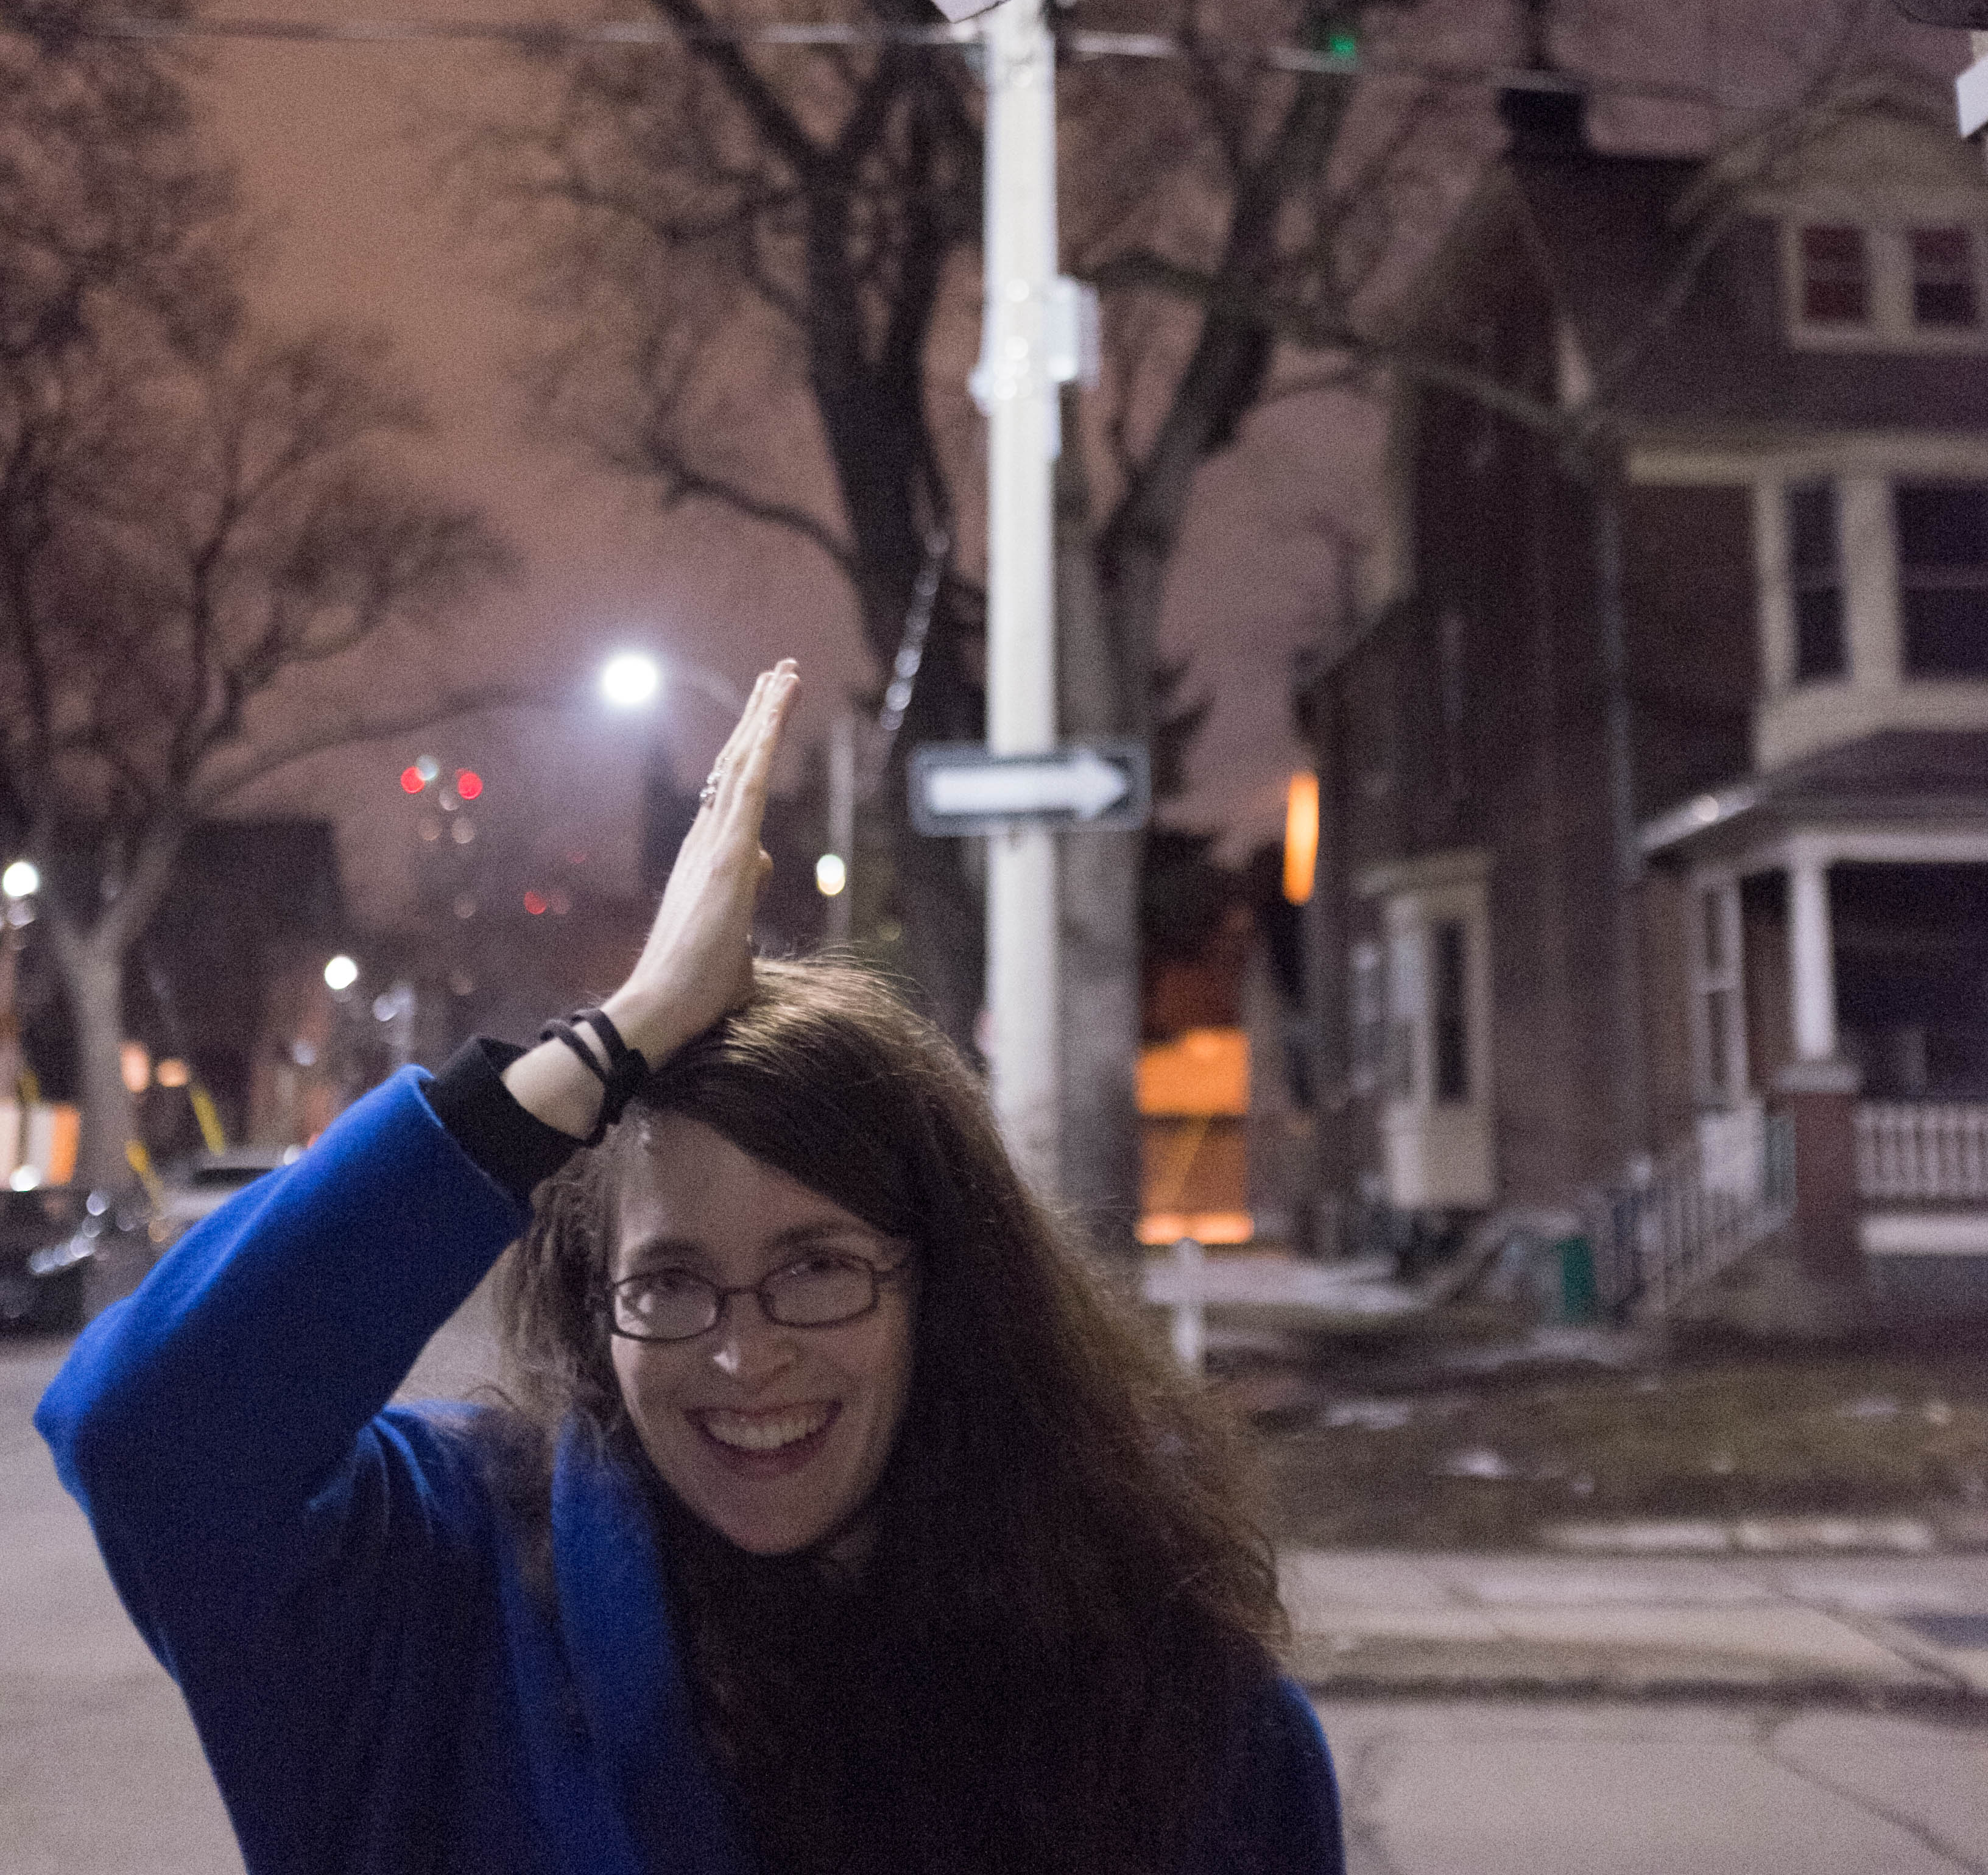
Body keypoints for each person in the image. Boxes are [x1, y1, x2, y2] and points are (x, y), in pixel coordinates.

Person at [39, 662, 1344, 1875]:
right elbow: (150, 1434)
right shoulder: (437, 1595)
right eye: (668, 1284)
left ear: (944, 1287)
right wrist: (616, 1041)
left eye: (817, 1267)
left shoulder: (1180, 1719)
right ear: (592, 1312)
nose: (744, 1353)